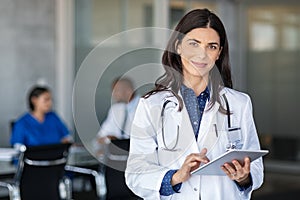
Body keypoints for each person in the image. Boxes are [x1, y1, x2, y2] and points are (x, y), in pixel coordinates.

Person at [125, 8, 264, 200]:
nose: (202, 54)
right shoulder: (151, 105)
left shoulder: (239, 103)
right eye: (194, 44)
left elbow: (255, 167)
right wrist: (174, 177)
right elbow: (135, 173)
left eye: (212, 46)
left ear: (219, 53)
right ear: (178, 46)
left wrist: (244, 178)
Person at [96, 77, 140, 144]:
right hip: (116, 152)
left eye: (116, 91)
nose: (113, 95)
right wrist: (110, 139)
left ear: (128, 91)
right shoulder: (115, 109)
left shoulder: (145, 106)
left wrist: (115, 140)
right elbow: (101, 136)